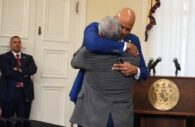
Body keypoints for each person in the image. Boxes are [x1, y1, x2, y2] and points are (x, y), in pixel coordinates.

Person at [70, 37, 139, 127]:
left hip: (93, 111)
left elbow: (74, 62)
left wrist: (88, 42)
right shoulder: (132, 56)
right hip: (120, 114)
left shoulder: (90, 52)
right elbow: (138, 62)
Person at [0, 36, 37, 119]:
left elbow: (33, 70)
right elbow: (8, 72)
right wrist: (25, 73)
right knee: (6, 121)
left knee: (24, 121)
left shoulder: (29, 58)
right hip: (8, 95)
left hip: (25, 95)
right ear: (10, 44)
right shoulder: (3, 57)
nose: (17, 44)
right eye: (15, 42)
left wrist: (18, 69)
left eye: (19, 42)